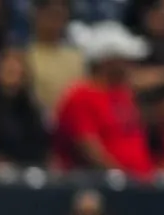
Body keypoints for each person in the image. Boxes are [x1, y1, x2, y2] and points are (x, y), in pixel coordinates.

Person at [52, 22, 154, 180]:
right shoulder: (80, 96)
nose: (131, 65)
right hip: (104, 188)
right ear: (107, 62)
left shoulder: (122, 92)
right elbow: (89, 149)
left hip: (140, 186)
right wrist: (125, 179)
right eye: (125, 60)